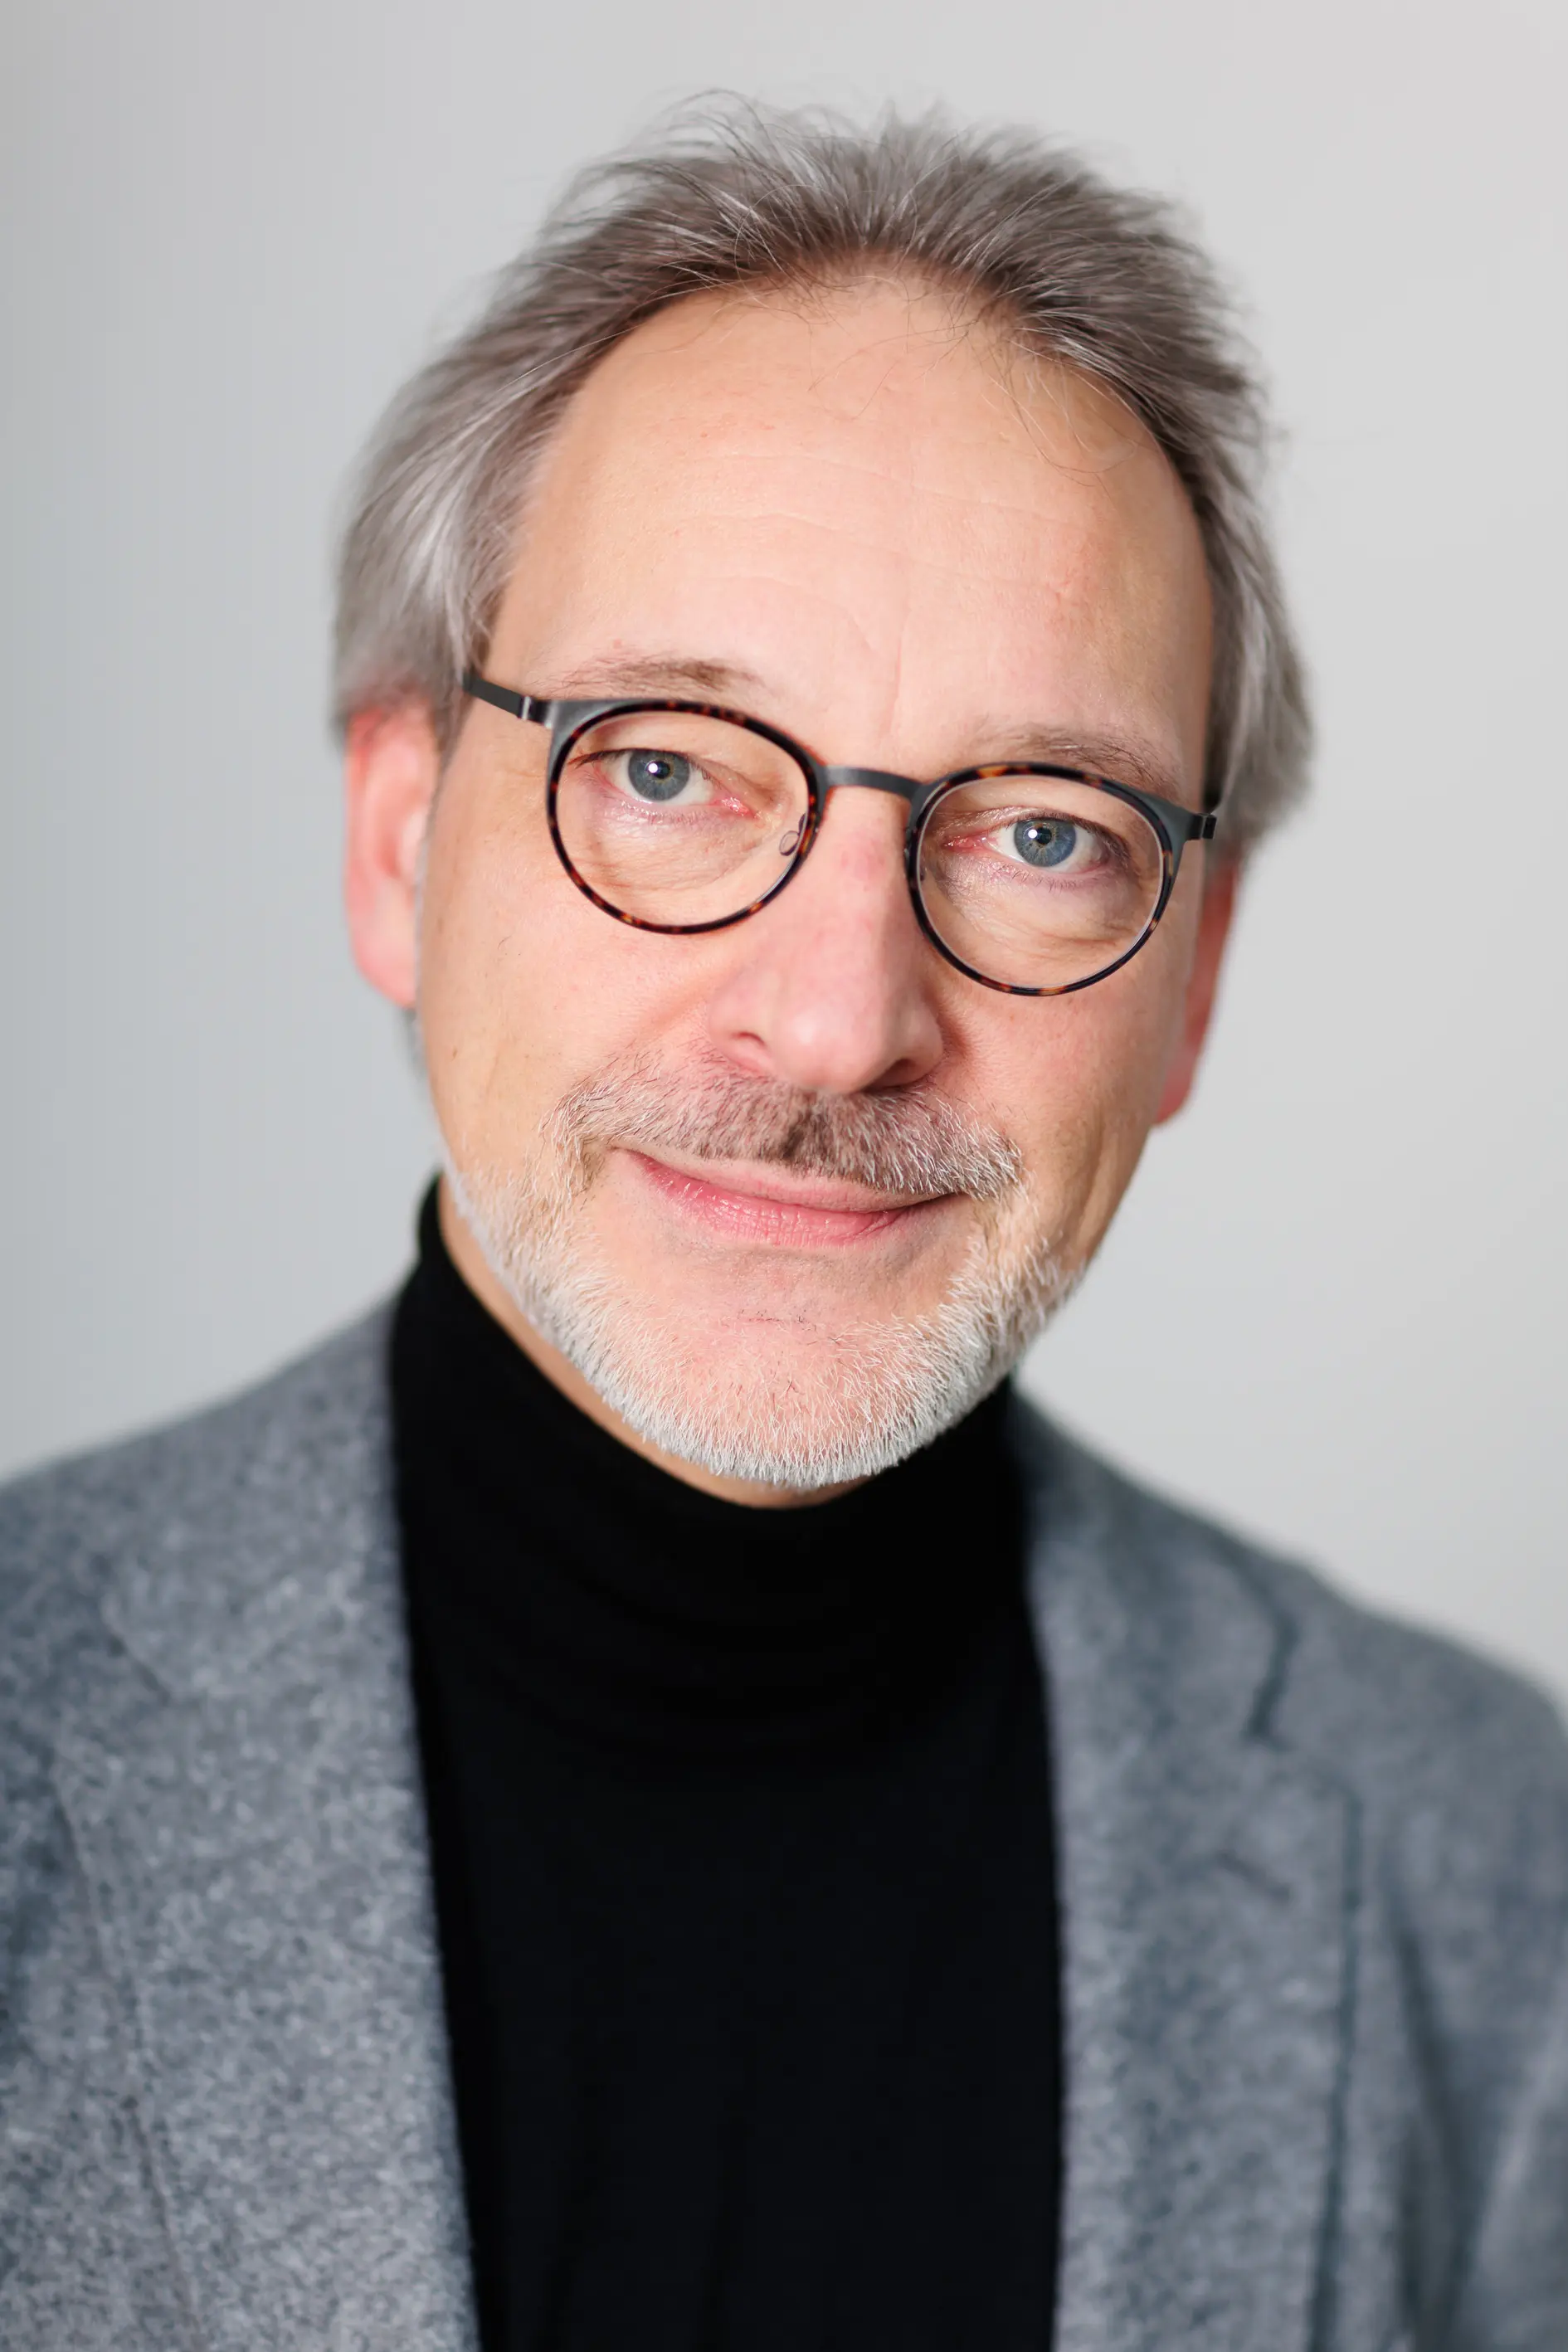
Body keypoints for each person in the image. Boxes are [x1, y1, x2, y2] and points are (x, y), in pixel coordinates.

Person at [1, 102, 1563, 2352]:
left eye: (1046, 833)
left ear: (1197, 981)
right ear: (399, 846)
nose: (839, 1024)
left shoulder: (1488, 1868)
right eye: (665, 769)